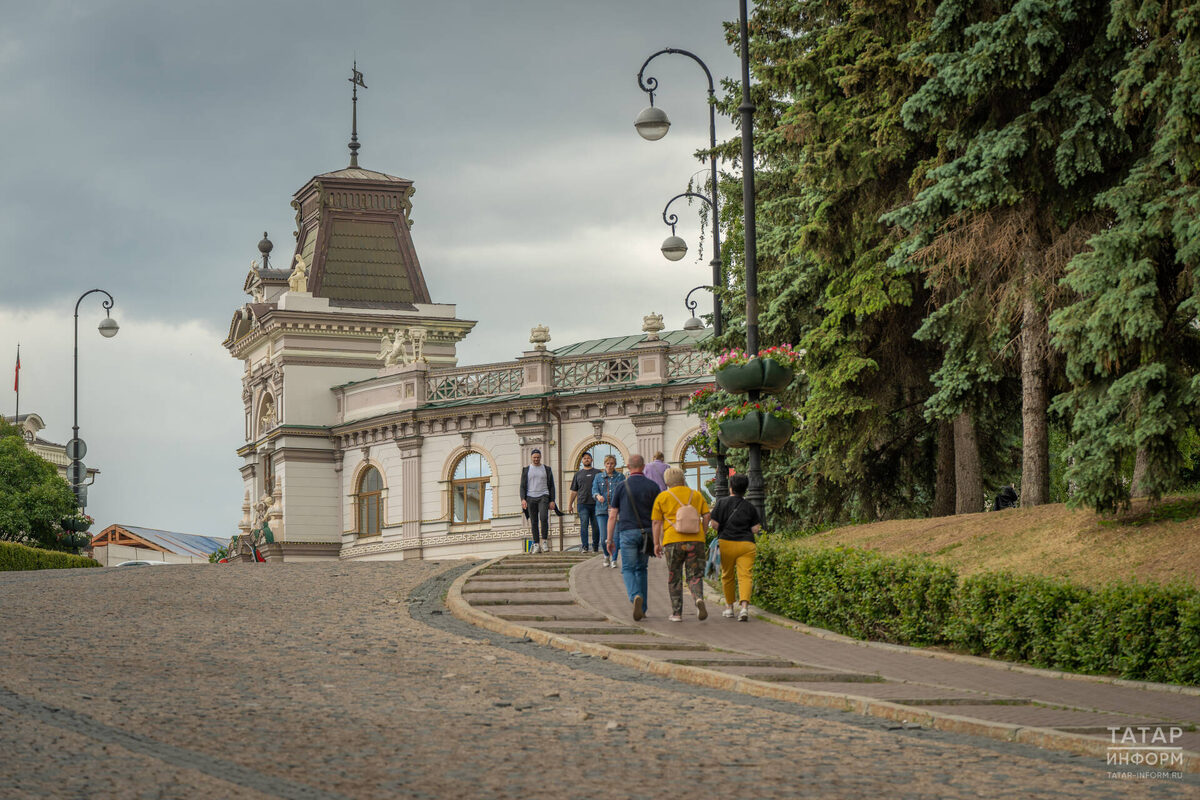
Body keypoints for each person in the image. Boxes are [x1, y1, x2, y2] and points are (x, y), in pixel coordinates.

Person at [651, 467, 711, 622]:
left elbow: (657, 522)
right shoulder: (696, 495)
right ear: (683, 479)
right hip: (695, 540)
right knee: (695, 575)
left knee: (674, 576)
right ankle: (698, 598)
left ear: (667, 482)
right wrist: (703, 534)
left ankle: (677, 613)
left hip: (673, 541)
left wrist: (656, 543)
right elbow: (707, 515)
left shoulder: (662, 497)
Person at [606, 454, 659, 620]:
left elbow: (613, 515)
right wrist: (658, 541)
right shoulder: (653, 486)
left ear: (628, 467)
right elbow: (658, 517)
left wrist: (609, 539)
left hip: (627, 532)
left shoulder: (621, 486)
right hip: (647, 533)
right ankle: (642, 608)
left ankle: (635, 595)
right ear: (643, 467)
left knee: (627, 568)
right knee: (642, 569)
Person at [708, 473, 761, 621]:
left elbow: (715, 524)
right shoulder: (750, 506)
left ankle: (729, 608)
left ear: (730, 487)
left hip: (726, 543)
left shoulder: (721, 503)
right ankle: (744, 608)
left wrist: (716, 526)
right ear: (746, 489)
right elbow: (755, 528)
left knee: (727, 576)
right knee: (745, 576)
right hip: (746, 545)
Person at [520, 449, 556, 553]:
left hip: (543, 496)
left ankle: (544, 542)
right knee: (534, 521)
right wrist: (523, 499)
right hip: (530, 497)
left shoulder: (546, 469)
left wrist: (552, 500)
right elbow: (522, 486)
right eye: (534, 457)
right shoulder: (526, 470)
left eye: (538, 457)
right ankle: (536, 544)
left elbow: (552, 486)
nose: (536, 459)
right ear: (531, 458)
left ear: (540, 457)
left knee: (544, 518)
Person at [591, 454, 625, 568]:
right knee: (603, 536)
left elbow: (623, 491)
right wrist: (598, 496)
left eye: (612, 463)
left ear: (615, 464)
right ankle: (606, 555)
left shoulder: (620, 477)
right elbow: (594, 491)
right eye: (607, 463)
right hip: (601, 509)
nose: (609, 466)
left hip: (615, 510)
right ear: (604, 464)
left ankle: (614, 559)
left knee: (615, 536)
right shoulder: (598, 477)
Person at [568, 452, 602, 553]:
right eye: (584, 458)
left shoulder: (598, 473)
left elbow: (602, 488)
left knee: (596, 526)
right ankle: (585, 547)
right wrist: (570, 505)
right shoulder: (578, 474)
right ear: (582, 461)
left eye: (588, 458)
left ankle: (595, 547)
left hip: (596, 504)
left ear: (591, 460)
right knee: (584, 525)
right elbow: (574, 491)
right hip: (582, 504)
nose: (586, 459)